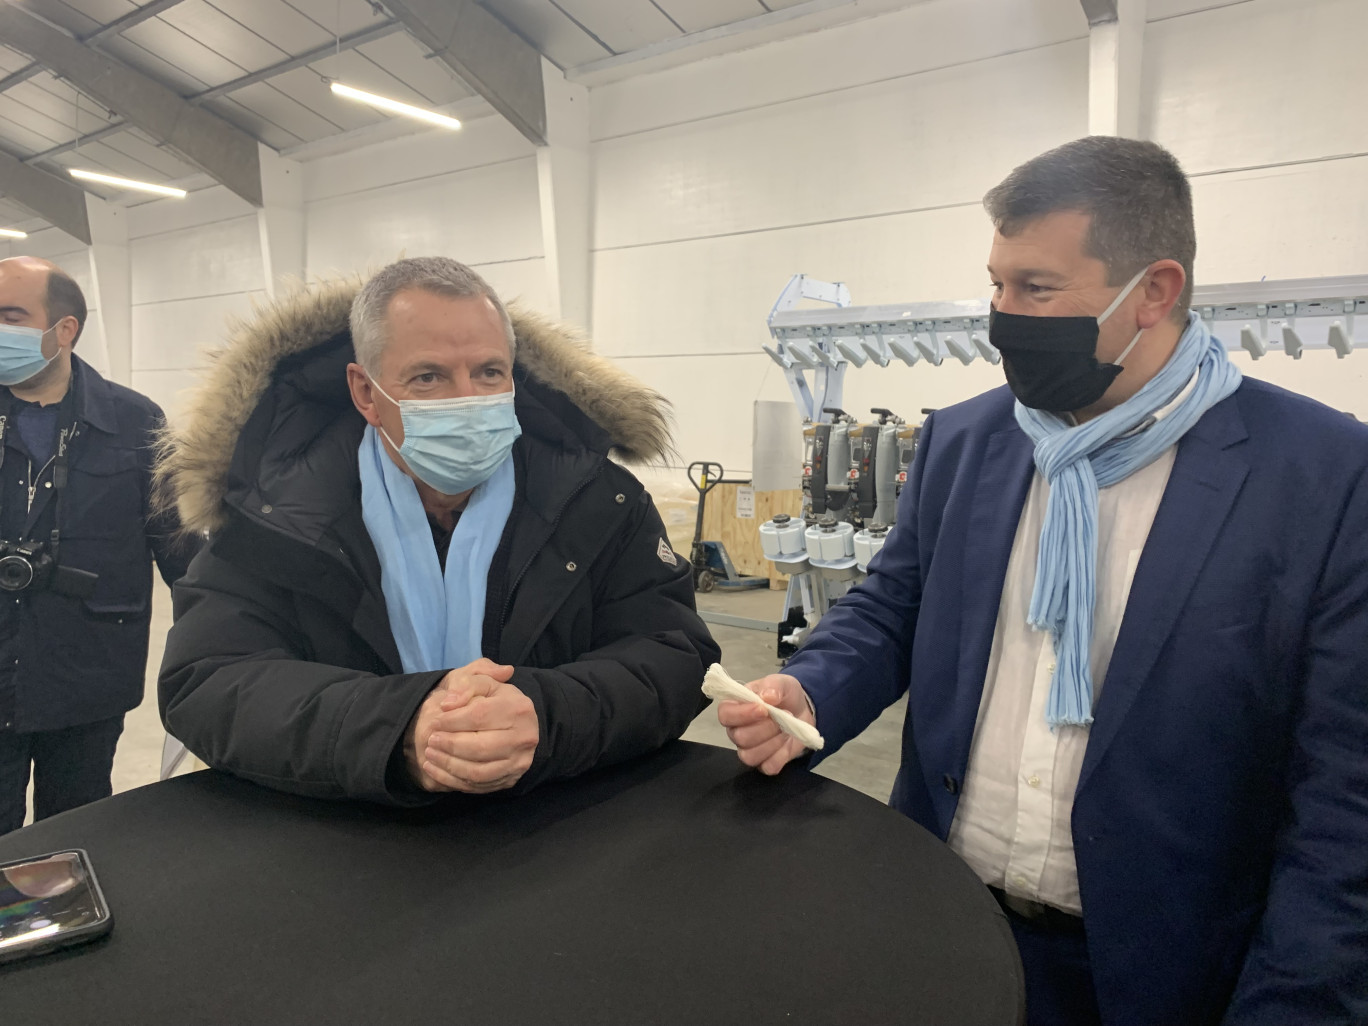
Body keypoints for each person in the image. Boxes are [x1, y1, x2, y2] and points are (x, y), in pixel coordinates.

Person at [718, 137, 1368, 1026]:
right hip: (945, 920)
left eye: (1036, 289)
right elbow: (894, 608)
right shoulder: (968, 442)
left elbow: (1344, 795)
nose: (1002, 316)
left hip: (1166, 965)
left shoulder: (1321, 478)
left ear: (1155, 290)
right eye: (995, 284)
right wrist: (811, 688)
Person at [157, 257, 718, 803]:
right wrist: (399, 729)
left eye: (489, 372)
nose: (469, 402)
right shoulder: (273, 511)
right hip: (343, 848)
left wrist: (545, 714)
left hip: (554, 835)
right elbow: (210, 679)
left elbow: (674, 653)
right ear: (366, 393)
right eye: (428, 377)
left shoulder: (597, 499)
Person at [0, 256, 195, 835]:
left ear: (64, 331)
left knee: (77, 834)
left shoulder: (136, 422)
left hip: (88, 680)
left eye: (10, 315)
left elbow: (183, 552)